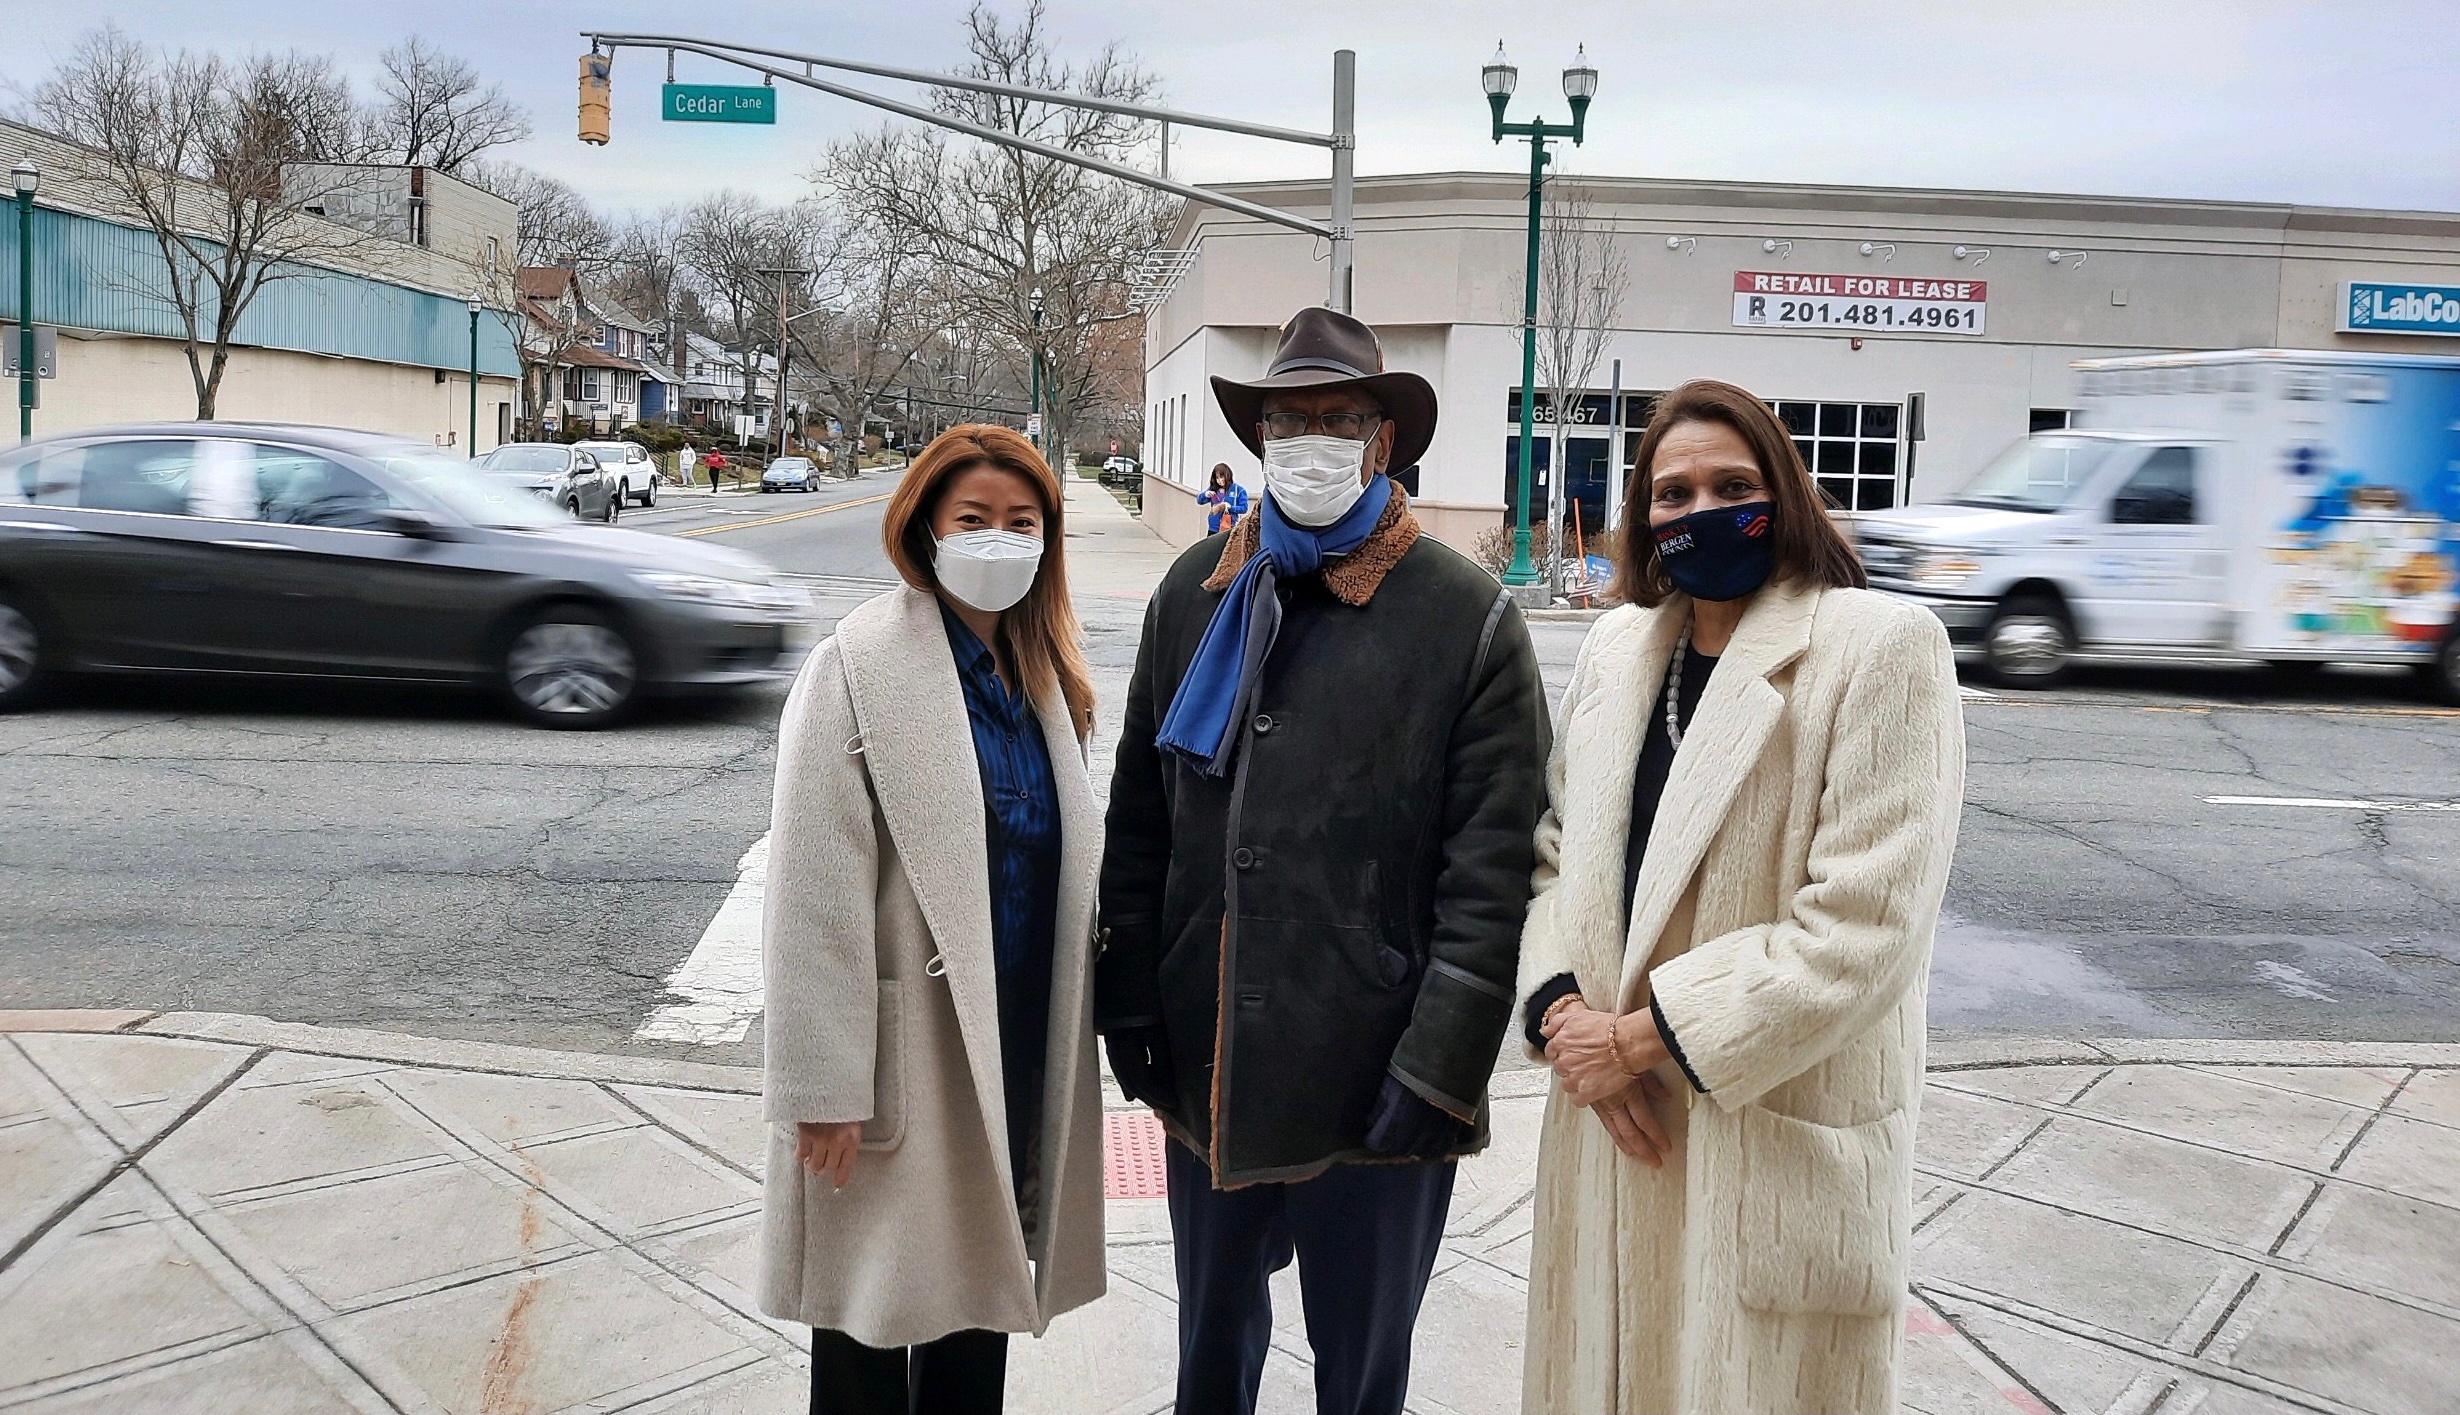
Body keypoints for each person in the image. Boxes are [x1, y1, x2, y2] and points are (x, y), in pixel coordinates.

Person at [1097, 307, 1549, 1415]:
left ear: (1382, 439)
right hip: (1212, 1058)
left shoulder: (1466, 616)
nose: (1309, 440)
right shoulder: (1193, 591)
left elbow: (1492, 870)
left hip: (1379, 1073)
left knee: (1362, 1375)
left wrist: (1440, 1068)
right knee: (1210, 1360)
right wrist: (1131, 998)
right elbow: (1141, 819)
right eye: (1287, 420)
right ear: (1258, 438)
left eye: (1337, 418)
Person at [1513, 379, 1966, 1414]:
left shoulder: (1881, 646)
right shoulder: (1621, 648)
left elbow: (1864, 926)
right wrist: (1563, 1016)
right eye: (1672, 493)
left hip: (1765, 1139)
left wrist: (1636, 1042)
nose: (1700, 509)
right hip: (1609, 1132)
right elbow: (1554, 853)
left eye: (1732, 486)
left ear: (1785, 493)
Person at [758, 424, 1106, 1415]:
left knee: (978, 1306)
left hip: (1014, 1028)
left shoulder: (1044, 677)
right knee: (868, 1316)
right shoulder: (859, 663)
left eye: (1022, 522)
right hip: (901, 1049)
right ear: (927, 529)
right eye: (975, 517)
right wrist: (823, 1086)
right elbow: (813, 890)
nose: (1000, 538)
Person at [1198, 462, 1249, 536]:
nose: (1219, 480)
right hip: (1213, 529)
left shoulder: (1239, 490)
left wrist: (1230, 508)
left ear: (1227, 475)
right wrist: (1205, 494)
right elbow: (1199, 501)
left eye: (1221, 477)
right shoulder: (1213, 489)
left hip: (1229, 528)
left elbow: (1244, 508)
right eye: (1217, 478)